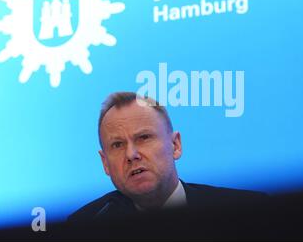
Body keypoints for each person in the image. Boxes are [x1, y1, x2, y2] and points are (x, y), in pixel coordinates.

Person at [68, 92, 268, 226]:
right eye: (117, 145)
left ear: (175, 145)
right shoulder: (82, 227)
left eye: (143, 137)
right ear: (105, 163)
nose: (131, 155)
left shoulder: (247, 213)